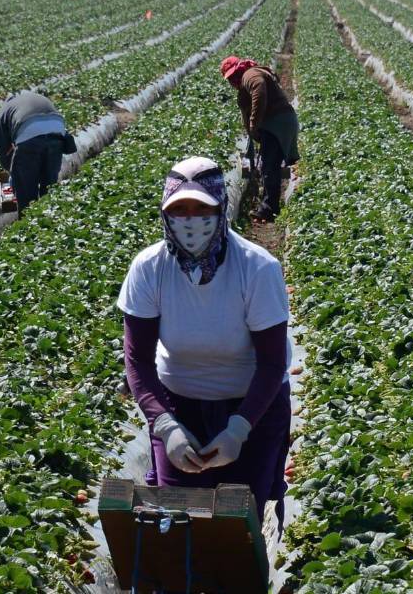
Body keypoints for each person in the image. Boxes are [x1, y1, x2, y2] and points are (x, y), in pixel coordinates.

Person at [117, 156, 292, 522]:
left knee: (237, 525)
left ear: (221, 206)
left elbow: (273, 363)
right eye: (180, 209)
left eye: (202, 207)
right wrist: (166, 427)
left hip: (252, 407)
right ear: (166, 212)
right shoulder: (149, 268)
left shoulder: (257, 268)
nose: (191, 219)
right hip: (178, 406)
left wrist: (239, 429)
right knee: (177, 522)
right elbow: (138, 361)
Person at [220, 56, 299, 223]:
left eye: (234, 76)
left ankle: (269, 209)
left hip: (277, 123)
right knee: (268, 165)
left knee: (270, 166)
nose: (233, 81)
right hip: (279, 122)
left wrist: (254, 122)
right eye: (230, 79)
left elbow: (259, 90)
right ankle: (268, 205)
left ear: (240, 69)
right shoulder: (247, 79)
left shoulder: (250, 74)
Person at [0, 91, 76, 216]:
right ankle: (48, 221)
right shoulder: (35, 99)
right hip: (57, 133)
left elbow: (1, 149)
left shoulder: (3, 112)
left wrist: (12, 174)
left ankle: (28, 223)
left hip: (29, 134)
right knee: (49, 185)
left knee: (26, 191)